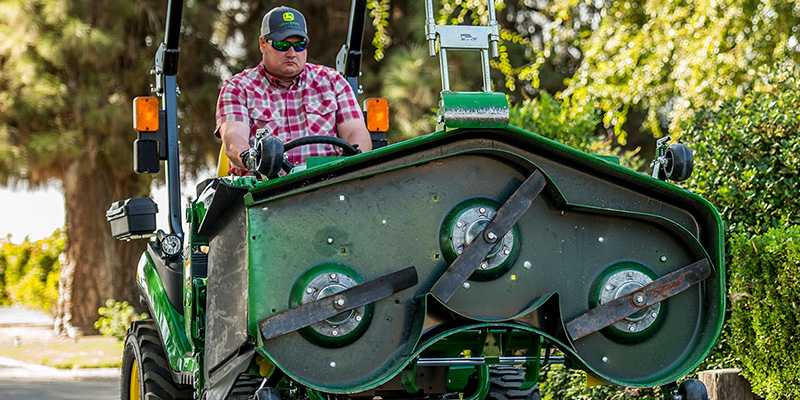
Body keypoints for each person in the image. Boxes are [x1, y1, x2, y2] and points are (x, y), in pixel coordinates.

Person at [215, 6, 371, 175]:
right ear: (262, 43)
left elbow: (356, 132)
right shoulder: (238, 88)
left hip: (329, 186)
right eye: (282, 45)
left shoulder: (333, 82)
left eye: (299, 45)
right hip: (263, 192)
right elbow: (234, 139)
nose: (291, 53)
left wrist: (355, 167)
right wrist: (252, 159)